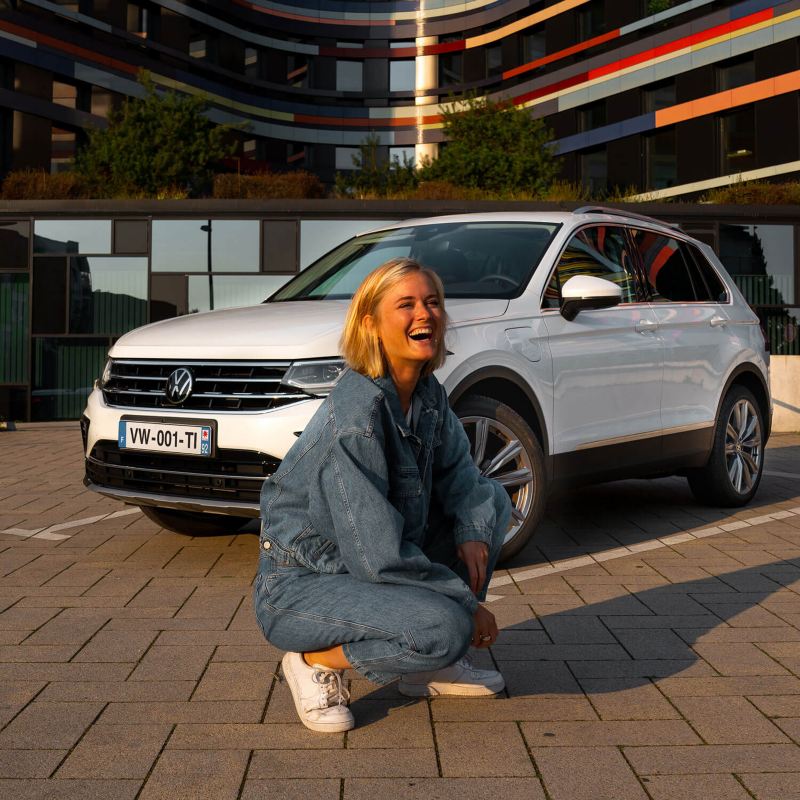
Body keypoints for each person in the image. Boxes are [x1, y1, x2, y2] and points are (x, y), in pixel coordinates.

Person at [253, 257, 512, 733]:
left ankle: (427, 668)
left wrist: (474, 532)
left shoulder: (427, 393)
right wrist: (466, 603)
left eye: (433, 303)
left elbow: (464, 477)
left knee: (490, 502)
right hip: (304, 585)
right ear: (370, 323)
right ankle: (314, 661)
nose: (426, 314)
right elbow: (378, 557)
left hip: (366, 567)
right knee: (445, 628)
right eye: (407, 304)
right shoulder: (357, 417)